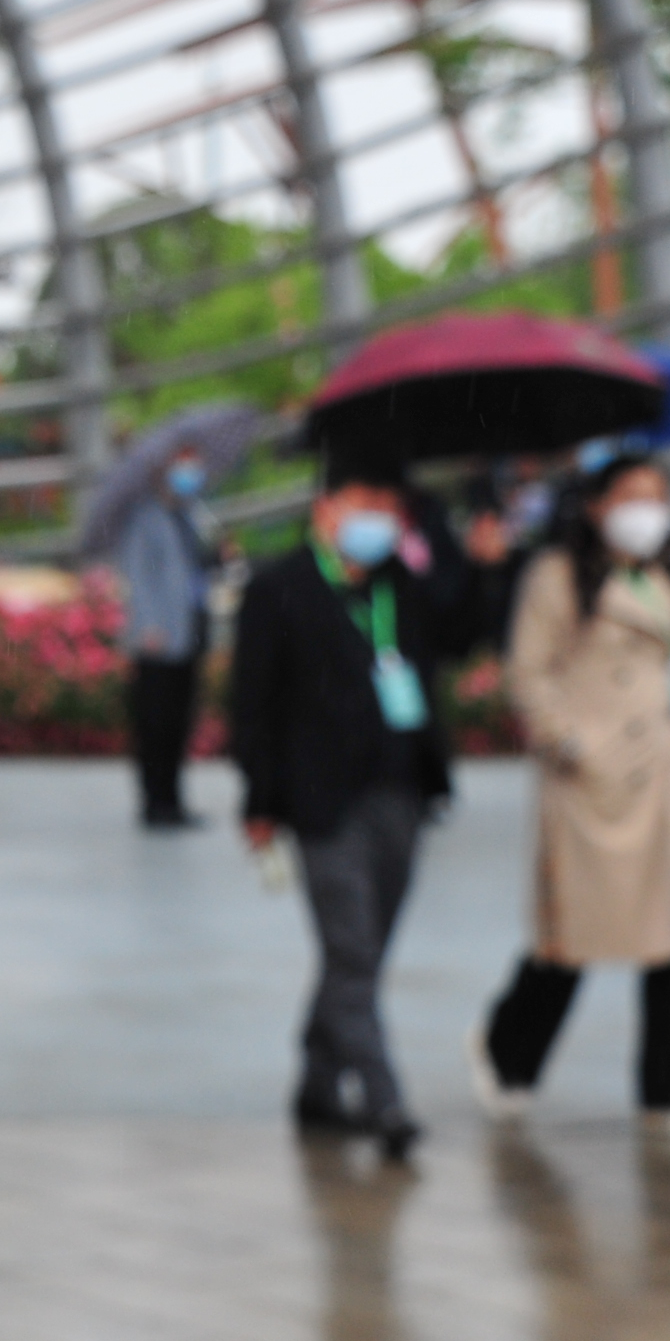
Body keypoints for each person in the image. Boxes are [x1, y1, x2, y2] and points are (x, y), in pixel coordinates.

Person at [469, 454, 670, 1141]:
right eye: (631, 497)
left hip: (668, 773)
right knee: (575, 938)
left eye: (658, 497)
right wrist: (572, 746)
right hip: (595, 783)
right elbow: (527, 674)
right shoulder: (557, 577)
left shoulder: (664, 574)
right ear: (594, 505)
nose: (647, 512)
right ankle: (507, 1052)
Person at [229, 448, 452, 1160]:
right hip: (320, 801)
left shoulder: (402, 586)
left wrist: (462, 537)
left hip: (401, 791)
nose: (375, 523)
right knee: (352, 950)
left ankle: (319, 1081)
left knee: (363, 950)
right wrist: (260, 801)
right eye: (362, 507)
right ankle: (385, 1100)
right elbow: (251, 706)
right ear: (324, 510)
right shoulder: (279, 589)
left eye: (388, 512)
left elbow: (465, 625)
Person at [115, 445, 222, 827]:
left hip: (189, 632)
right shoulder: (144, 517)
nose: (189, 471)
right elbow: (138, 577)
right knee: (155, 724)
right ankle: (155, 803)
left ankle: (174, 801)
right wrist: (148, 627)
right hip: (157, 638)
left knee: (179, 721)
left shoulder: (191, 513)